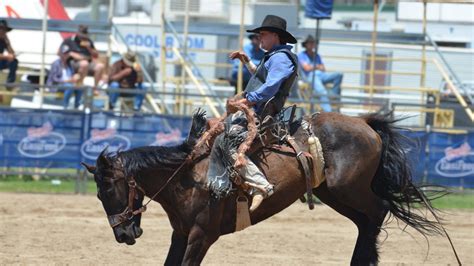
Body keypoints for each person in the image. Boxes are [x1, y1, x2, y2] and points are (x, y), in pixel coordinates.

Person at [207, 15, 298, 212]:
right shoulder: (276, 56)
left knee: (227, 140)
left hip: (260, 113)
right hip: (256, 109)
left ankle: (261, 186)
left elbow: (271, 86)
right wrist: (247, 62)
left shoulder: (281, 58)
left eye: (262, 35)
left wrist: (249, 99)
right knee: (214, 130)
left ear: (275, 36)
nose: (259, 39)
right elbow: (264, 77)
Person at [298, 35, 343, 112]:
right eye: (310, 43)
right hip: (310, 77)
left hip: (320, 75)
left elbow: (323, 68)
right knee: (322, 92)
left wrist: (313, 67)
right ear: (305, 44)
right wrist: (317, 66)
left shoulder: (317, 55)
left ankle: (333, 95)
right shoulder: (301, 55)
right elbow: (307, 68)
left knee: (339, 75)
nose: (312, 44)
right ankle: (329, 112)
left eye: (313, 43)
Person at [59, 25, 105, 94]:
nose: (83, 37)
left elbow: (96, 55)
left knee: (100, 66)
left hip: (88, 61)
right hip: (74, 62)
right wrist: (72, 54)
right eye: (82, 35)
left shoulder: (88, 41)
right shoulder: (69, 40)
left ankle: (95, 88)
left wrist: (89, 48)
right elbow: (61, 53)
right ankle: (80, 85)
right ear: (78, 33)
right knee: (84, 63)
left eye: (84, 35)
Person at [0, 20, 18, 90]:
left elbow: (11, 53)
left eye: (4, 29)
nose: (2, 31)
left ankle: (9, 83)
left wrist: (8, 43)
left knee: (14, 61)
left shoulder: (4, 40)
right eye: (1, 29)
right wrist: (6, 57)